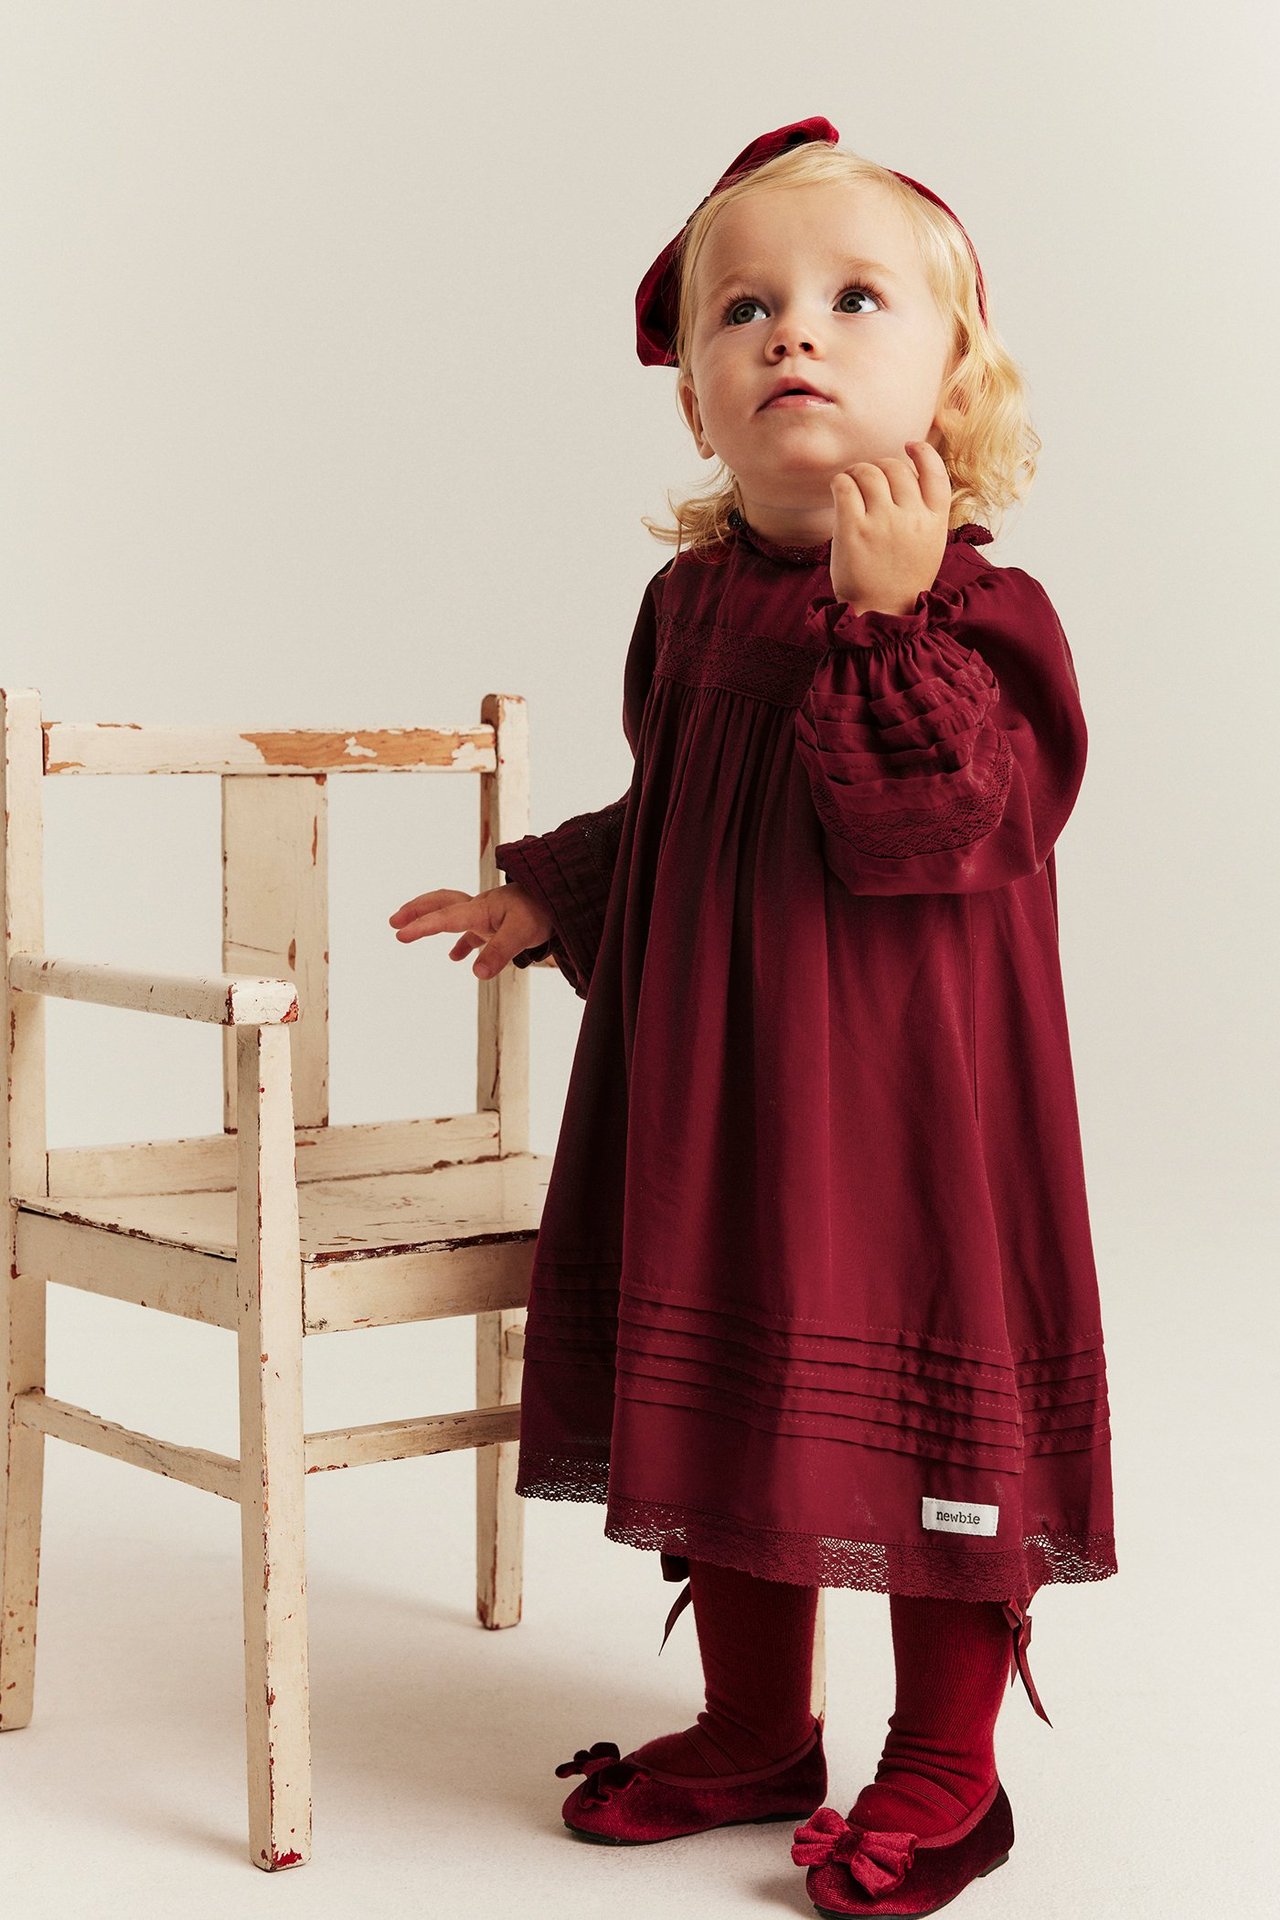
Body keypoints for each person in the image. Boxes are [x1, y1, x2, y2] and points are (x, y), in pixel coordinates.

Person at [388, 117, 1117, 1917]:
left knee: (925, 1407)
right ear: (697, 398)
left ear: (955, 375)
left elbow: (945, 825)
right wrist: (554, 889)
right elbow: (685, 806)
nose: (793, 332)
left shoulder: (977, 607)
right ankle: (754, 1728)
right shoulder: (691, 605)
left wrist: (886, 622)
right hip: (716, 1092)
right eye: (745, 309)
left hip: (909, 1110)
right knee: (727, 1391)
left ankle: (948, 1763)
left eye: (855, 299)